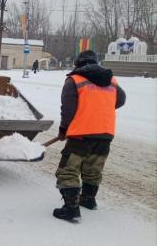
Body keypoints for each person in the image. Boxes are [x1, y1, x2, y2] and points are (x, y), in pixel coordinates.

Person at [53, 50, 126, 221]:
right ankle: (88, 200)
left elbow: (68, 109)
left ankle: (70, 208)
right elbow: (121, 100)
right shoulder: (112, 81)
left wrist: (64, 129)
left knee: (68, 170)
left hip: (81, 134)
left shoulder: (74, 80)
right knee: (93, 168)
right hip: (105, 133)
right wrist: (100, 108)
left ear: (78, 64)